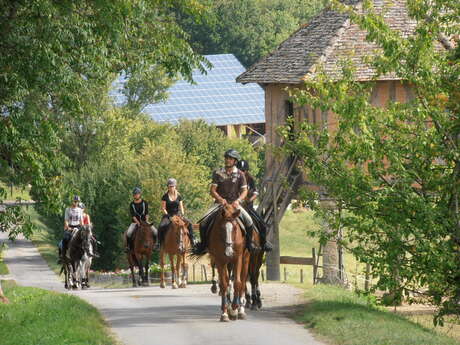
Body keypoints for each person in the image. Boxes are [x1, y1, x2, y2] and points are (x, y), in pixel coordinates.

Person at [194, 149, 256, 254]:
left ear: (235, 161)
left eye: (230, 158)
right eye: (226, 158)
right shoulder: (218, 173)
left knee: (249, 221)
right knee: (203, 222)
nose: (227, 160)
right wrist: (220, 199)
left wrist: (238, 200)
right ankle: (203, 246)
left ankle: (249, 245)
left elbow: (244, 191)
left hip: (234, 204)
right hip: (220, 204)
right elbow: (212, 190)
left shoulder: (240, 174)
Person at [237, 160, 272, 252]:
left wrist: (249, 199)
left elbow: (256, 192)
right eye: (240, 170)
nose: (242, 172)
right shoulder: (234, 179)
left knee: (262, 225)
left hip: (247, 207)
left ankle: (264, 243)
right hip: (235, 207)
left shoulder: (250, 180)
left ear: (247, 171)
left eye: (243, 170)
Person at [158, 178, 195, 247]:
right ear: (168, 187)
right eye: (170, 186)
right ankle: (159, 243)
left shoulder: (179, 196)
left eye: (173, 186)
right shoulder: (165, 197)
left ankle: (193, 240)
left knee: (189, 223)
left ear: (175, 186)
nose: (171, 188)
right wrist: (169, 216)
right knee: (161, 226)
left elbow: (181, 207)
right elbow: (163, 208)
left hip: (178, 215)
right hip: (168, 215)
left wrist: (182, 214)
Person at [124, 187, 157, 252]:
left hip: (144, 222)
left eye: (137, 194)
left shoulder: (145, 203)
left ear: (140, 194)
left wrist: (147, 221)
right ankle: (128, 247)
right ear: (133, 195)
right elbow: (133, 215)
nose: (136, 195)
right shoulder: (132, 204)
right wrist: (138, 222)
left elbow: (147, 213)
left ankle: (155, 245)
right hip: (135, 222)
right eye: (135, 194)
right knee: (128, 233)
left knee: (155, 231)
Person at [58, 195, 83, 263]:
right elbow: (66, 220)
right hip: (70, 227)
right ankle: (62, 256)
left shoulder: (80, 210)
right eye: (75, 201)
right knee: (65, 239)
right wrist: (67, 227)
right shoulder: (68, 209)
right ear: (72, 201)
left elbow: (81, 221)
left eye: (77, 202)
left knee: (85, 239)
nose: (76, 203)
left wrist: (83, 228)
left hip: (78, 227)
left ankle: (86, 254)